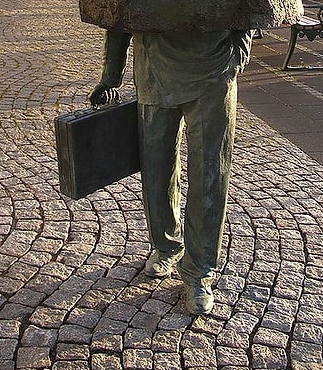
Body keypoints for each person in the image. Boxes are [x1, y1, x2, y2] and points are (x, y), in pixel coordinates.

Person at [90, 27, 253, 315]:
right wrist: (110, 76)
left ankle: (199, 270)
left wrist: (236, 58)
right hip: (154, 70)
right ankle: (165, 245)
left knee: (209, 173)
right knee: (156, 169)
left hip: (212, 71)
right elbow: (118, 7)